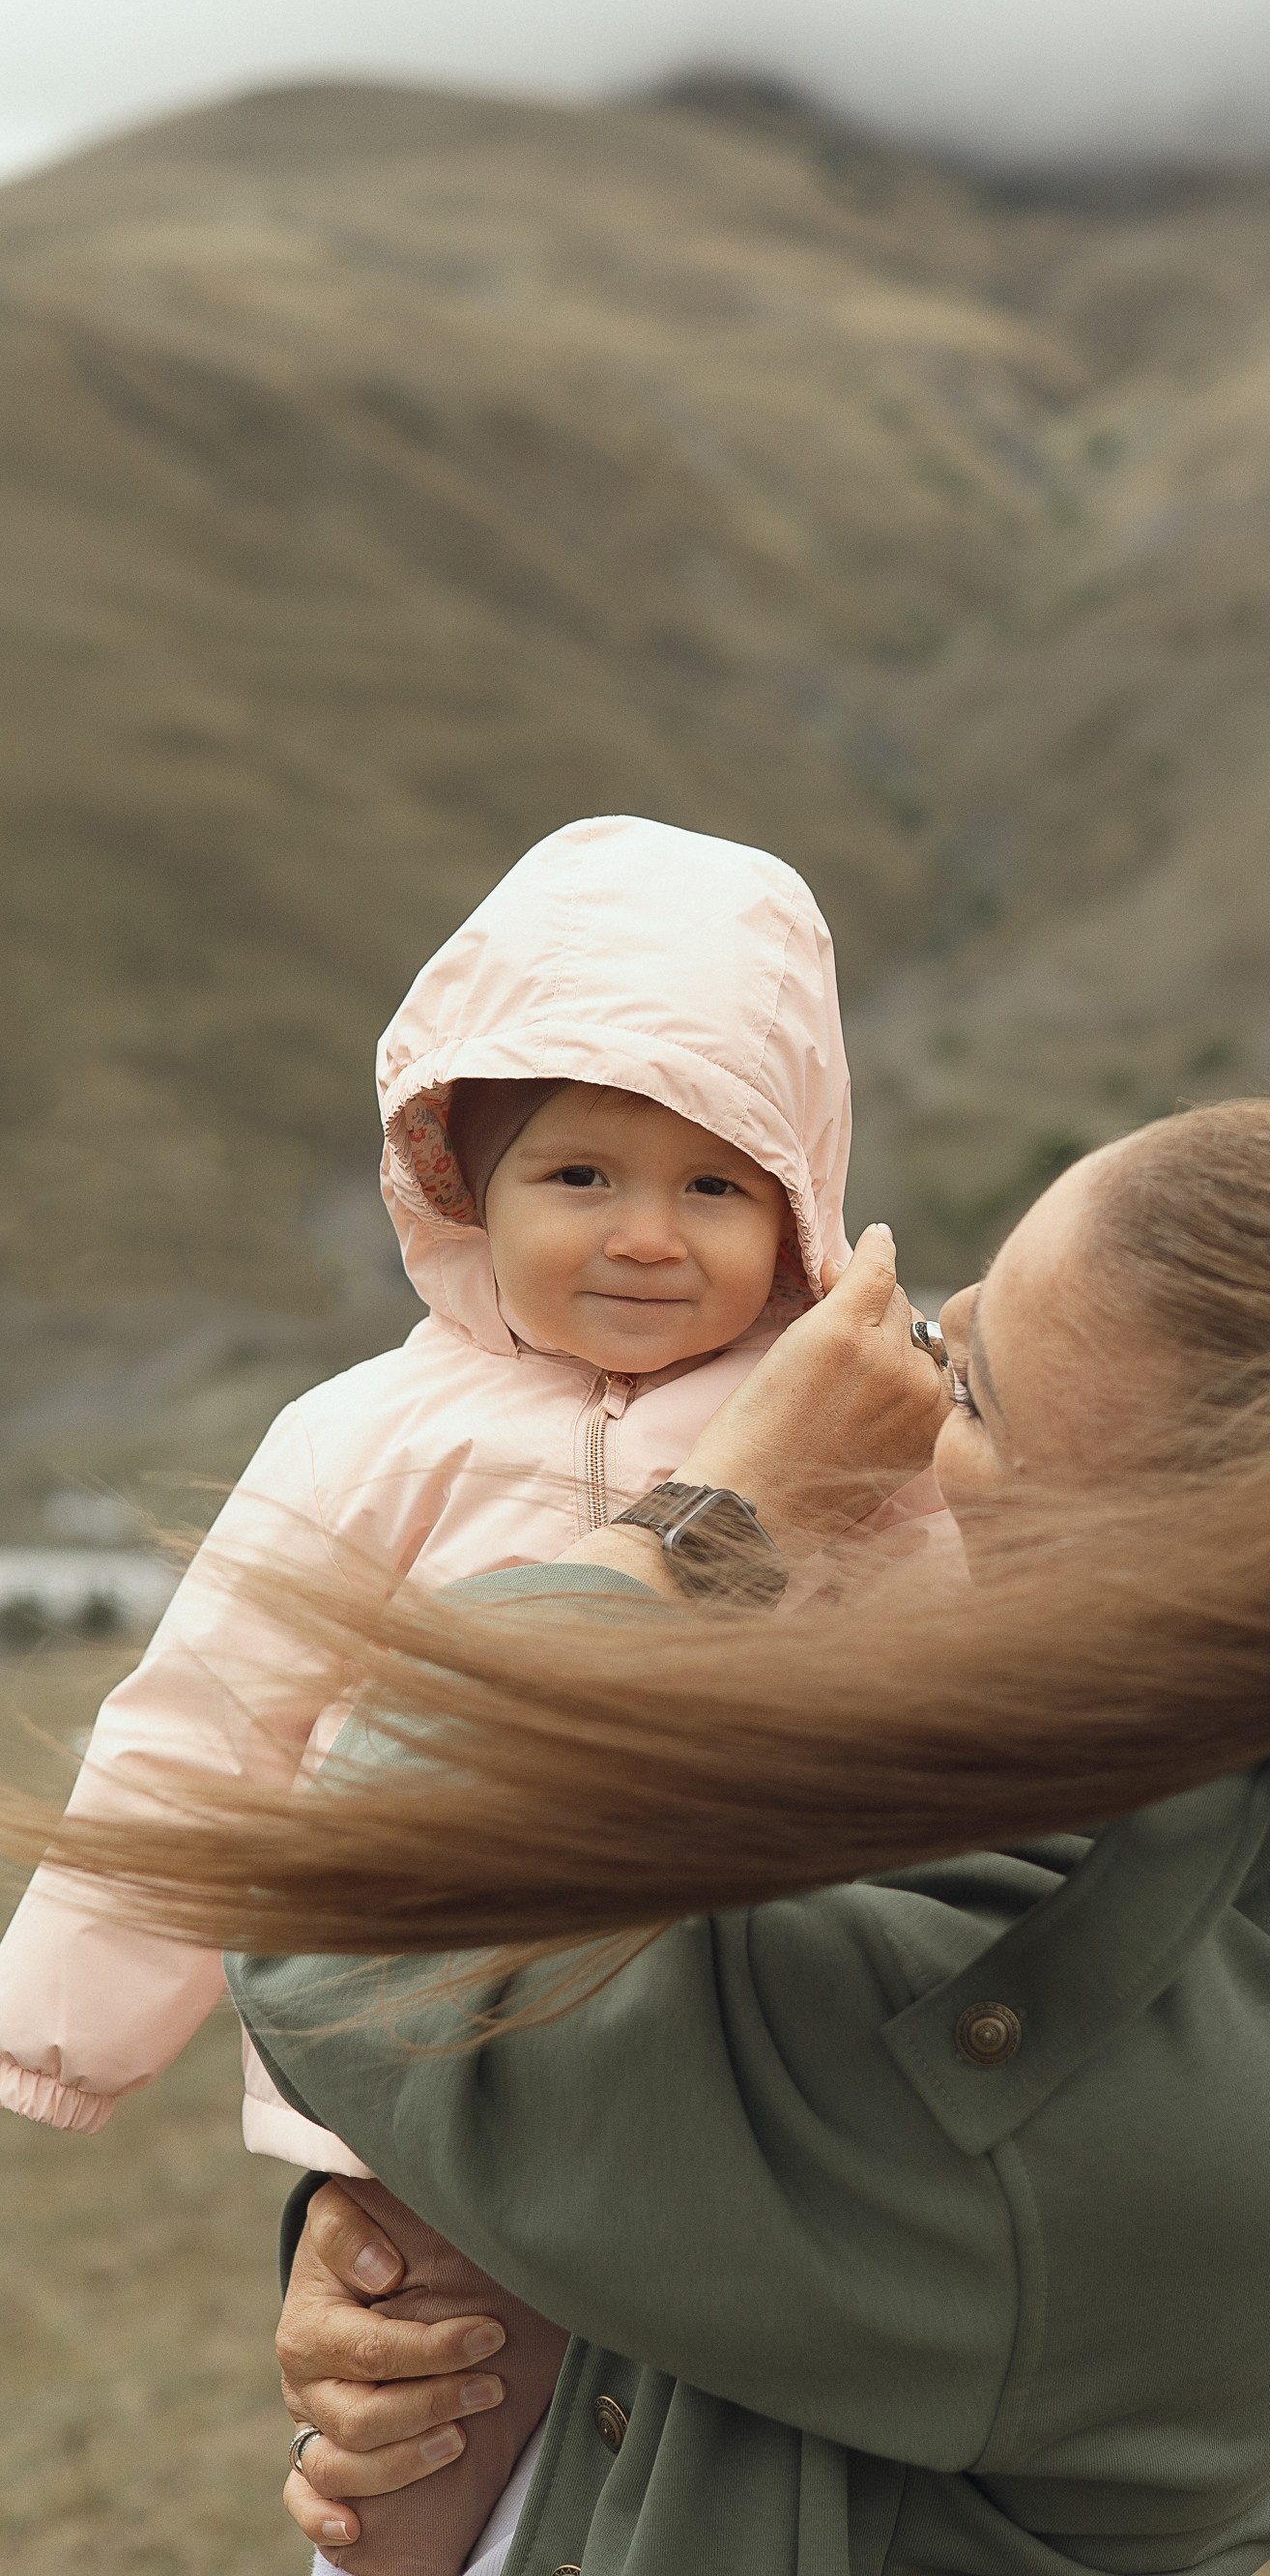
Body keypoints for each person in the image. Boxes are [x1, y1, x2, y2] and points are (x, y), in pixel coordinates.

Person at [18, 1102, 1270, 2576]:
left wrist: (723, 1517)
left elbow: (362, 1900)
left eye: (972, 1390)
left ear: (1148, 1580)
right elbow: (710, 2190)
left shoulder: (1050, 2090)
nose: (909, 1386)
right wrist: (409, 2256)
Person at [0, 810, 937, 2572]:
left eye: (716, 1184)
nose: (648, 1236)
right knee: (397, 2471)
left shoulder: (852, 1432)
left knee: (710, 2468)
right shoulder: (360, 1438)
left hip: (741, 2077)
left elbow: (956, 1709)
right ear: (463, 1187)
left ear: (800, 1201)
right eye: (581, 1176)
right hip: (433, 2089)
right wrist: (62, 2016)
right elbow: (210, 1723)